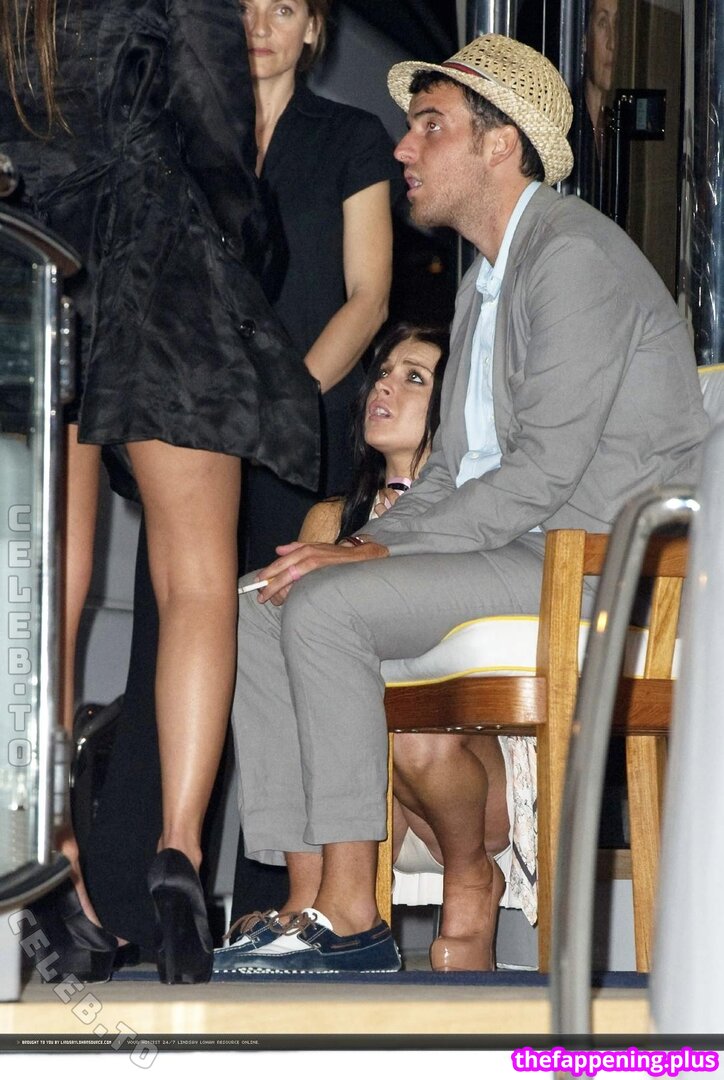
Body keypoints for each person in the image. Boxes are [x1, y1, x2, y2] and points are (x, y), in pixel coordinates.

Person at [212, 32, 710, 976]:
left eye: (430, 126)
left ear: (500, 144)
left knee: (325, 607)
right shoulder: (488, 277)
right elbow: (452, 471)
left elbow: (540, 474)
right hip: (522, 546)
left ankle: (354, 918)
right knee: (268, 596)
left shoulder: (572, 258)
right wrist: (366, 540)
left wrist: (366, 557)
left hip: (593, 564)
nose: (404, 147)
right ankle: (307, 900)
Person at [0, 0, 320, 984]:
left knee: (48, 583)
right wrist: (244, 250)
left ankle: (53, 854)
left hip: (31, 261)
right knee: (196, 579)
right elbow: (218, 126)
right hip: (160, 260)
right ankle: (178, 852)